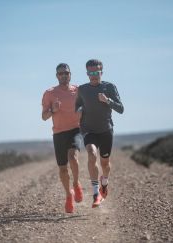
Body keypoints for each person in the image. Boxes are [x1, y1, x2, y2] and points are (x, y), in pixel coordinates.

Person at [75, 59, 124, 208]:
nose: (94, 75)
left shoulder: (109, 87)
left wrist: (107, 100)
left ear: (101, 72)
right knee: (91, 153)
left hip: (105, 130)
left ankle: (105, 182)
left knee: (105, 163)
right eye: (90, 73)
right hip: (88, 129)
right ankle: (96, 193)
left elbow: (121, 109)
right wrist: (78, 110)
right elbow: (77, 106)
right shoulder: (82, 89)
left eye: (96, 72)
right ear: (87, 73)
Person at [41, 63, 84, 213]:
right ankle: (68, 195)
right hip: (59, 133)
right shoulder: (49, 93)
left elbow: (87, 107)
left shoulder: (78, 90)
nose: (64, 76)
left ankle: (77, 184)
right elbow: (44, 117)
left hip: (76, 129)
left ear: (70, 74)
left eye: (66, 73)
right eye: (60, 74)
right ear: (56, 76)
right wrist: (53, 109)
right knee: (63, 169)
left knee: (73, 157)